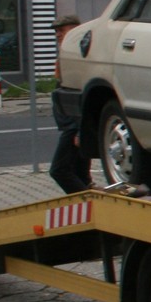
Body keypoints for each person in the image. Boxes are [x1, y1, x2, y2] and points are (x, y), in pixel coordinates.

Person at [49, 16, 93, 193]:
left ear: (75, 30)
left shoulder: (78, 55)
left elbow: (82, 96)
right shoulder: (67, 53)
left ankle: (88, 203)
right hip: (72, 125)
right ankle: (92, 200)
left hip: (74, 126)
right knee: (80, 174)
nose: (58, 34)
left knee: (59, 170)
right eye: (56, 31)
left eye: (62, 30)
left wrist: (80, 130)